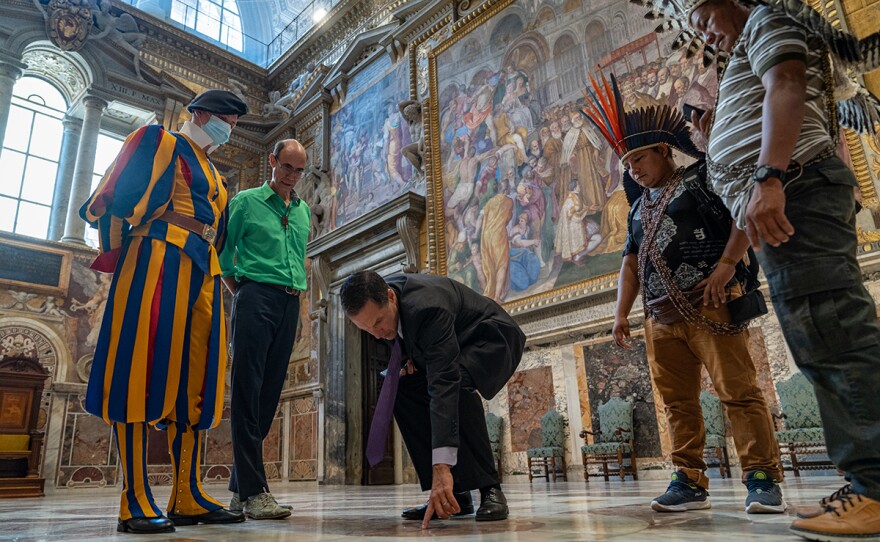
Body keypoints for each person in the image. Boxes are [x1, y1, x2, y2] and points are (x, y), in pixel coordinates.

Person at [681, 0, 880, 538]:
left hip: (796, 191)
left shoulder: (767, 17)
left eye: (704, 20)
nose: (703, 34)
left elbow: (787, 81)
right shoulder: (749, 43)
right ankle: (864, 480)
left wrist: (768, 174)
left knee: (834, 330)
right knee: (820, 340)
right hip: (783, 196)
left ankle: (877, 486)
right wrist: (715, 148)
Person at [580, 73, 786, 515]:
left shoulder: (702, 178)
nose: (634, 169)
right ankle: (689, 479)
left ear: (662, 150)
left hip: (711, 306)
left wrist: (728, 264)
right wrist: (621, 313)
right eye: (628, 163)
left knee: (739, 392)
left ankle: (762, 476)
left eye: (639, 158)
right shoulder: (637, 207)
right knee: (677, 403)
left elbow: (740, 210)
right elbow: (631, 262)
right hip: (660, 319)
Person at [79, 89, 248, 534]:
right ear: (201, 113)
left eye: (233, 123)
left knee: (198, 382)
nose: (228, 129)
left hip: (204, 268)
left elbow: (220, 231)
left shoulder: (215, 172)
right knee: (138, 367)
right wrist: (123, 260)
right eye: (225, 119)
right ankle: (134, 497)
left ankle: (186, 493)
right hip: (156, 254)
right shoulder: (159, 140)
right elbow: (114, 202)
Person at [340, 271, 526, 529]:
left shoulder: (427, 306)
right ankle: (453, 496)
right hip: (452, 344)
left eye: (379, 322)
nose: (377, 334)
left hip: (488, 338)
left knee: (456, 383)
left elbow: (444, 382)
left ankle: (489, 488)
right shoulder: (382, 305)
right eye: (367, 329)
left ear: (391, 297)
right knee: (402, 389)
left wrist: (442, 466)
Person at [219, 139, 311, 520]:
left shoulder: (304, 210)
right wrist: (244, 294)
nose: (292, 177)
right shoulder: (244, 202)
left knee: (268, 396)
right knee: (247, 391)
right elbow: (222, 257)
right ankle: (255, 492)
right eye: (287, 167)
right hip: (255, 295)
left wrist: (294, 303)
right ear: (272, 161)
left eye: (299, 171)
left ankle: (241, 491)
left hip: (290, 301)